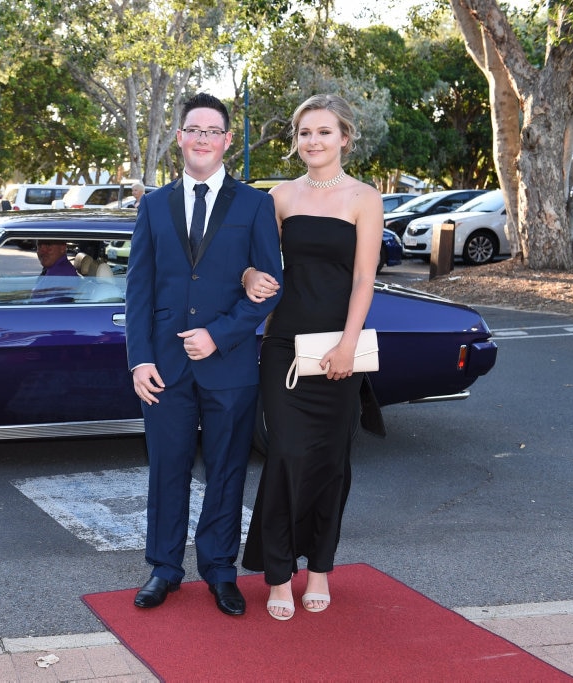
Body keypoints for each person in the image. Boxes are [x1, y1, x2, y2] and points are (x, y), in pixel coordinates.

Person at [125, 92, 283, 617]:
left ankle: (219, 569)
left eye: (213, 131)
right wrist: (139, 359)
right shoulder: (153, 204)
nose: (202, 139)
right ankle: (164, 569)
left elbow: (270, 286)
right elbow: (139, 290)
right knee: (166, 469)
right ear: (180, 137)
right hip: (164, 369)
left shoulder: (256, 205)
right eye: (194, 129)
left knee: (227, 471)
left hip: (230, 365)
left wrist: (220, 334)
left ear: (227, 141)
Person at [241, 94, 382, 621]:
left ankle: (319, 568)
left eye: (324, 132)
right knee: (285, 457)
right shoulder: (277, 197)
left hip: (339, 348)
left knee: (330, 464)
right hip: (284, 347)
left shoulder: (364, 198)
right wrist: (249, 276)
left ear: (344, 138)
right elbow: (248, 262)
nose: (313, 142)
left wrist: (348, 343)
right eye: (304, 133)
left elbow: (364, 278)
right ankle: (278, 573)